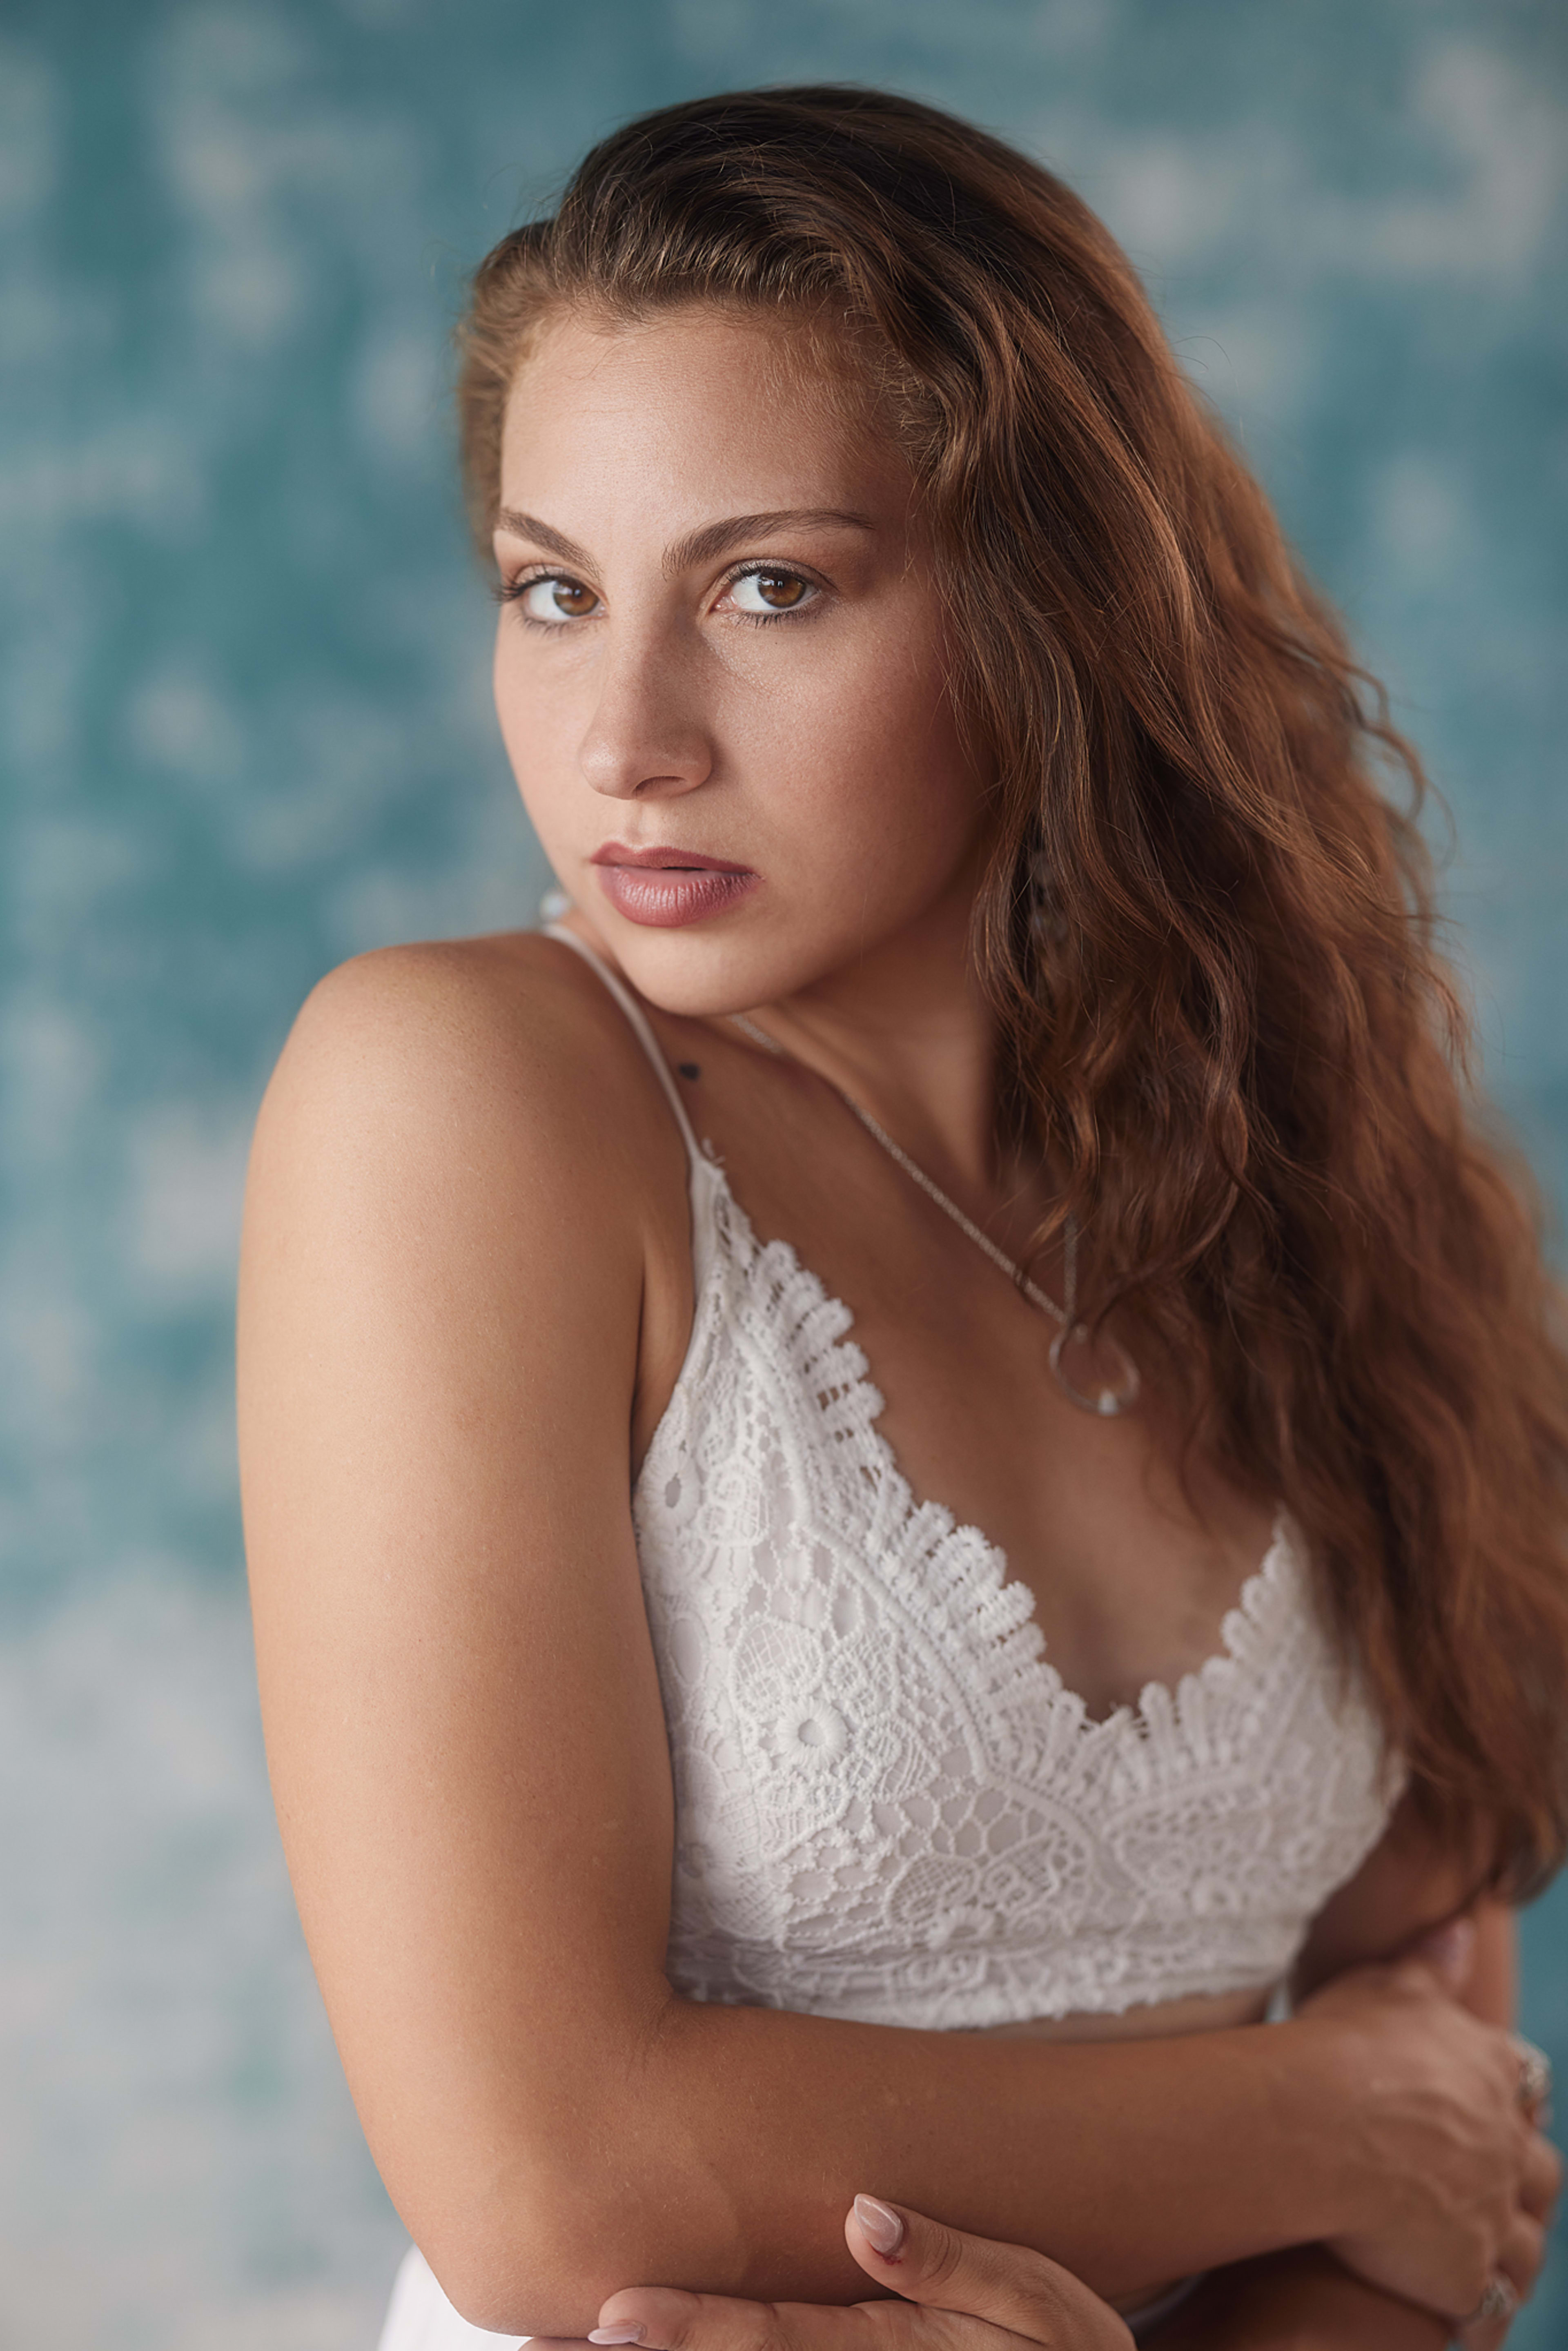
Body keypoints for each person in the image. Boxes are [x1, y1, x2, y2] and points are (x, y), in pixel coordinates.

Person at [237, 89, 1566, 2351]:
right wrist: (1328, 2128)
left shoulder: (1338, 1183)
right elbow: (554, 2187)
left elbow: (1442, 2134)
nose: (624, 734)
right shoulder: (469, 1098)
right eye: (551, 591)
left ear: (1052, 622)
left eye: (770, 587)